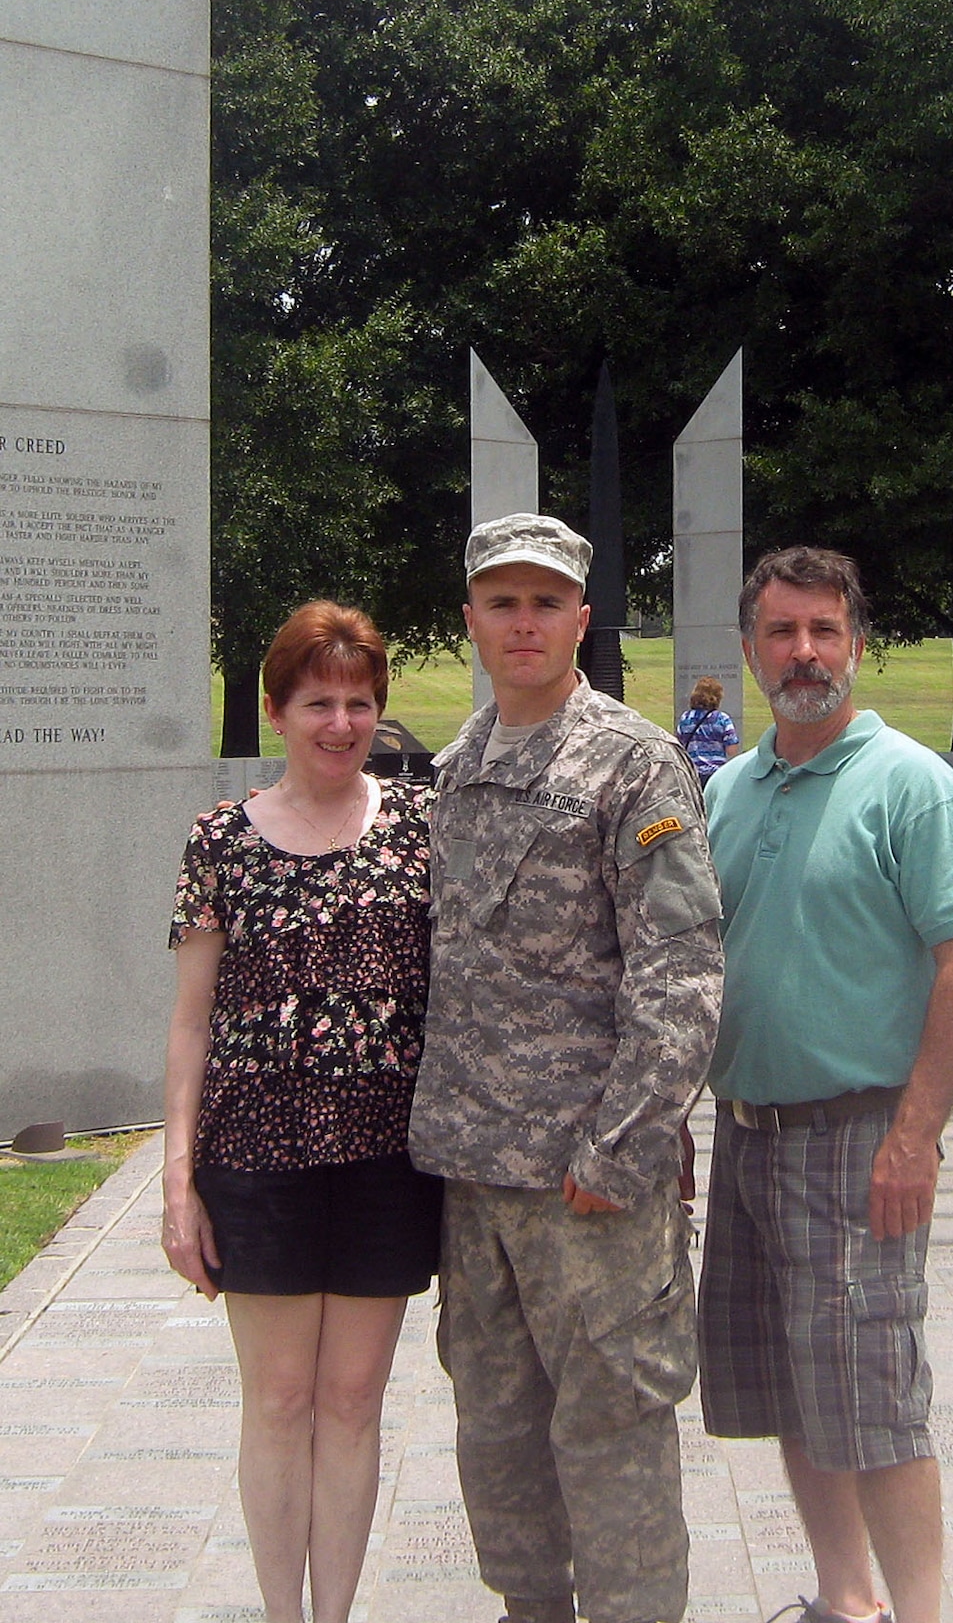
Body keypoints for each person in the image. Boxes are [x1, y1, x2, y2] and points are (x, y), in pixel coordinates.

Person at [407, 513, 724, 1623]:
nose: (525, 621)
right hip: (473, 1178)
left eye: (547, 602)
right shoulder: (449, 772)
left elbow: (680, 966)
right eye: (503, 601)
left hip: (588, 1179)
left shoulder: (633, 762)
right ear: (471, 623)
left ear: (581, 619)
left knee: (611, 1429)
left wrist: (625, 1142)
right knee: (494, 1432)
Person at [697, 546, 953, 1623]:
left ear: (857, 643)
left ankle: (917, 1613)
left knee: (872, 1395)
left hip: (859, 1133)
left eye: (824, 630)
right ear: (748, 651)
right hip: (745, 1133)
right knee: (791, 1382)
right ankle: (845, 1599)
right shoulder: (727, 789)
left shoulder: (912, 786)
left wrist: (914, 1136)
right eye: (781, 632)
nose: (804, 651)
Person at [162, 601, 442, 1623]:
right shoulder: (220, 839)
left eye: (359, 701)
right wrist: (175, 1181)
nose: (340, 721)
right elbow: (190, 1022)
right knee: (279, 1398)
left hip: (386, 1158)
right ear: (277, 708)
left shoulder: (418, 828)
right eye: (318, 700)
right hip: (256, 1157)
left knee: (353, 1399)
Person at [676, 675, 740, 784]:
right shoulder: (722, 719)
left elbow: (679, 746)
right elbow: (732, 750)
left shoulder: (685, 718)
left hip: (693, 775)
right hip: (717, 775)